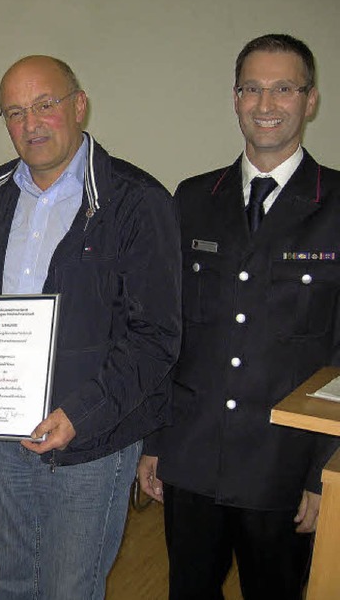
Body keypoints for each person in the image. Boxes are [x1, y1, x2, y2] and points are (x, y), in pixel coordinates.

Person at [138, 34, 340, 599]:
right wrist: (155, 441)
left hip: (285, 467)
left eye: (283, 88)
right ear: (234, 98)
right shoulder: (194, 198)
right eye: (252, 88)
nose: (266, 103)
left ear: (310, 100)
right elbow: (167, 331)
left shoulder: (338, 205)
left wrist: (326, 472)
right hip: (193, 457)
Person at [0, 55, 182, 599]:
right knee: (10, 582)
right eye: (14, 112)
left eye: (46, 104)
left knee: (71, 588)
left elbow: (156, 338)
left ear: (79, 105)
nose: (31, 123)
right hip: (6, 432)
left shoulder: (137, 202)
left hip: (92, 441)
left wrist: (78, 414)